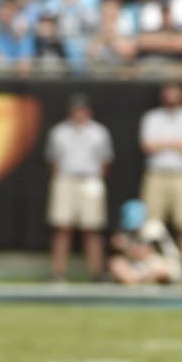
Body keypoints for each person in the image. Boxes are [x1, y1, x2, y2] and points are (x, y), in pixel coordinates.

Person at [45, 92, 113, 283]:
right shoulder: (59, 132)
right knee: (61, 227)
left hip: (90, 180)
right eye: (76, 110)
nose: (79, 114)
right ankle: (58, 273)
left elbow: (105, 161)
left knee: (92, 228)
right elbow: (52, 161)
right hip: (65, 179)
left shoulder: (99, 132)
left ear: (88, 111)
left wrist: (95, 179)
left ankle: (96, 273)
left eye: (82, 110)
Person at [138, 82, 182, 267]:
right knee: (151, 225)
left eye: (175, 91)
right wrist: (178, 144)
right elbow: (147, 146)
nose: (171, 95)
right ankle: (149, 267)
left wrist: (163, 144)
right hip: (156, 175)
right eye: (168, 91)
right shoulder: (151, 117)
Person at [108, 199, 182, 285]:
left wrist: (125, 246)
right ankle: (138, 286)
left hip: (165, 264)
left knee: (161, 272)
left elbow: (145, 253)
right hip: (143, 269)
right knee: (116, 264)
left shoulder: (153, 227)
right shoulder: (127, 230)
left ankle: (140, 284)